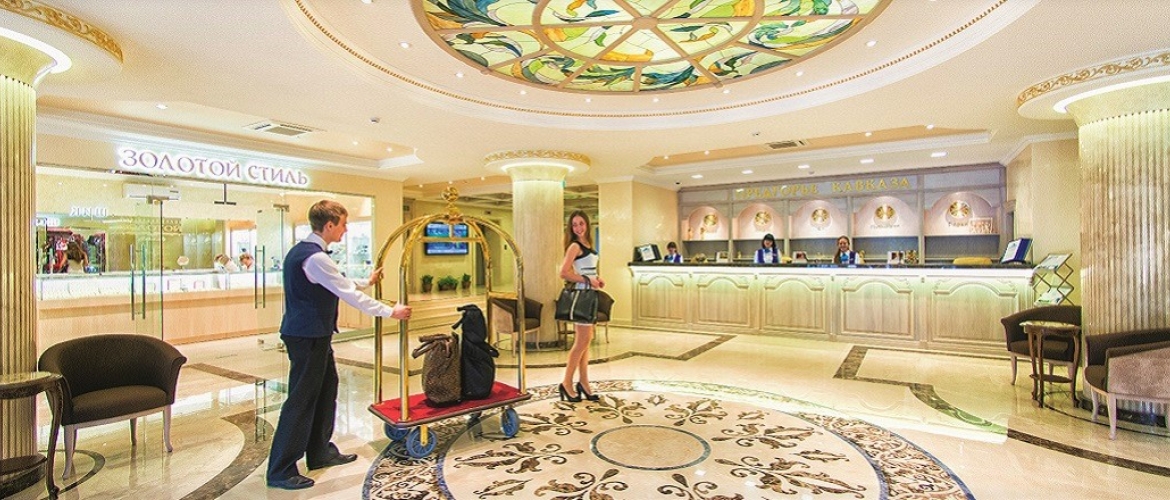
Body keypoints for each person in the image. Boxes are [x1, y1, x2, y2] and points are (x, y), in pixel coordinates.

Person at [266, 200, 412, 490]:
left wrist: (366, 281)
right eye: (343, 224)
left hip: (313, 334)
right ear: (330, 225)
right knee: (301, 400)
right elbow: (347, 293)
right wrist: (390, 311)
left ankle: (319, 451)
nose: (345, 230)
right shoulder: (315, 257)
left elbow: (336, 282)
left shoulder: (308, 253)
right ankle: (281, 469)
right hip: (306, 336)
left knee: (326, 390)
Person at [558, 210, 605, 403]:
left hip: (590, 293)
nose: (578, 228)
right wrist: (587, 280)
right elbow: (564, 273)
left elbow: (588, 269)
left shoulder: (588, 245)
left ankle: (584, 382)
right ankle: (566, 383)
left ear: (587, 224)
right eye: (575, 224)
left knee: (585, 342)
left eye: (581, 223)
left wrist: (596, 279)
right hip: (582, 295)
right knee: (581, 343)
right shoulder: (574, 246)